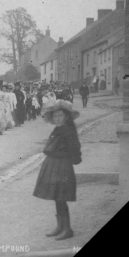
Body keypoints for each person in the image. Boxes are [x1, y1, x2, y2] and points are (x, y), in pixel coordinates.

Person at [33, 100, 81, 241]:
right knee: (56, 197)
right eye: (55, 116)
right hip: (53, 165)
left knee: (61, 197)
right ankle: (60, 226)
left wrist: (62, 157)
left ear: (66, 116)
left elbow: (75, 155)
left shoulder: (69, 131)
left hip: (62, 167)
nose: (57, 118)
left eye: (60, 115)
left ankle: (67, 229)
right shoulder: (57, 129)